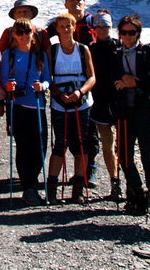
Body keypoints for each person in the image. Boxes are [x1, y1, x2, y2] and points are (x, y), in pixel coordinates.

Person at [113, 15, 150, 216]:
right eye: (124, 32)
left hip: (145, 109)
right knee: (123, 154)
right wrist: (122, 78)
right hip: (124, 110)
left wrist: (134, 82)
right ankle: (137, 192)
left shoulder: (147, 50)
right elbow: (111, 76)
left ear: (138, 33)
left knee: (148, 153)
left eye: (132, 32)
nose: (127, 36)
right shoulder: (116, 52)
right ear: (119, 33)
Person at [46, 13, 96, 205]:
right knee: (60, 143)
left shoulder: (83, 50)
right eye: (62, 26)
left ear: (74, 27)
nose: (65, 29)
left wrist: (80, 92)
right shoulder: (53, 51)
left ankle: (78, 189)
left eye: (69, 26)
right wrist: (58, 94)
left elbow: (92, 77)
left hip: (81, 102)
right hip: (60, 103)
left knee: (81, 144)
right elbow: (48, 78)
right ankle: (52, 187)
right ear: (57, 29)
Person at [1, 18, 51, 205]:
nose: (24, 36)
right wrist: (9, 85)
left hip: (37, 104)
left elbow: (47, 79)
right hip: (18, 105)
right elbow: (4, 77)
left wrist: (43, 86)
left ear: (33, 34)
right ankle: (28, 186)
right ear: (14, 34)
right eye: (19, 32)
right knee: (23, 146)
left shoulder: (40, 55)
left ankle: (31, 180)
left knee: (40, 146)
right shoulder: (9, 54)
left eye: (27, 32)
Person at [88, 10, 121, 200]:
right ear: (94, 28)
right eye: (98, 26)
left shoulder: (120, 46)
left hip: (119, 103)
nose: (102, 29)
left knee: (122, 147)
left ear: (110, 27)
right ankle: (114, 182)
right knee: (108, 146)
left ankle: (127, 183)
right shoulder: (90, 48)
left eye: (105, 26)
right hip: (100, 102)